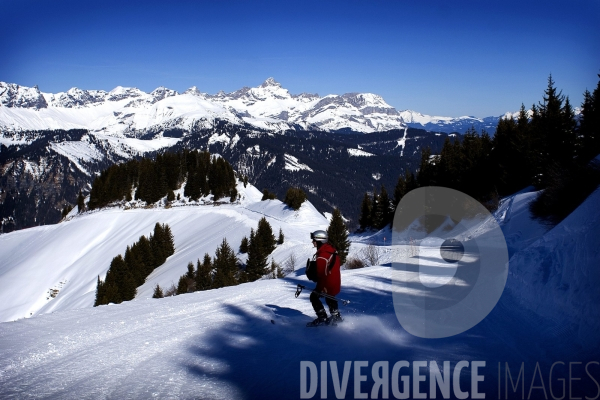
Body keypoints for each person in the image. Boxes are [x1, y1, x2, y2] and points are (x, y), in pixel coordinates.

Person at [306, 230, 343, 327]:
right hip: (334, 281)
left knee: (314, 296)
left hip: (328, 283)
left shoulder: (322, 255)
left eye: (314, 240)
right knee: (329, 297)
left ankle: (322, 318)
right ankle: (336, 316)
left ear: (319, 240)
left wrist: (320, 288)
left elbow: (321, 274)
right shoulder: (330, 250)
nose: (312, 242)